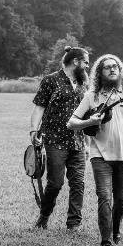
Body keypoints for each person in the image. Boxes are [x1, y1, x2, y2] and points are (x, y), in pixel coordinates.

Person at [67, 54, 123, 246]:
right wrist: (90, 121)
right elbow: (71, 123)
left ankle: (116, 231)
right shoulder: (92, 97)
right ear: (100, 72)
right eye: (107, 67)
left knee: (120, 200)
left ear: (120, 71)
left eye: (115, 66)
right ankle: (106, 240)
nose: (112, 69)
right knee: (104, 197)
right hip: (100, 156)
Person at [29, 46, 90, 232]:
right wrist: (33, 131)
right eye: (86, 62)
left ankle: (73, 224)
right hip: (55, 140)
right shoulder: (51, 80)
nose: (88, 66)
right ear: (75, 61)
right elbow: (39, 107)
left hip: (78, 141)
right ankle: (44, 217)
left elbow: (86, 115)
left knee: (78, 184)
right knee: (55, 184)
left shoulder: (83, 83)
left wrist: (88, 144)